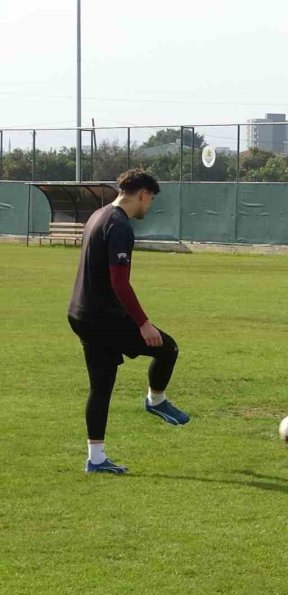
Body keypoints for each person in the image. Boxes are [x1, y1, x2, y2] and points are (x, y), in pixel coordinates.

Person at [68, 169, 189, 474]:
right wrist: (143, 323)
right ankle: (156, 400)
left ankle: (96, 459)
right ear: (143, 194)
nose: (149, 207)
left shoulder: (98, 215)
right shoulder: (119, 225)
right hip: (102, 317)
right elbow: (120, 283)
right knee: (167, 348)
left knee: (101, 386)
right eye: (151, 200)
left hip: (80, 313)